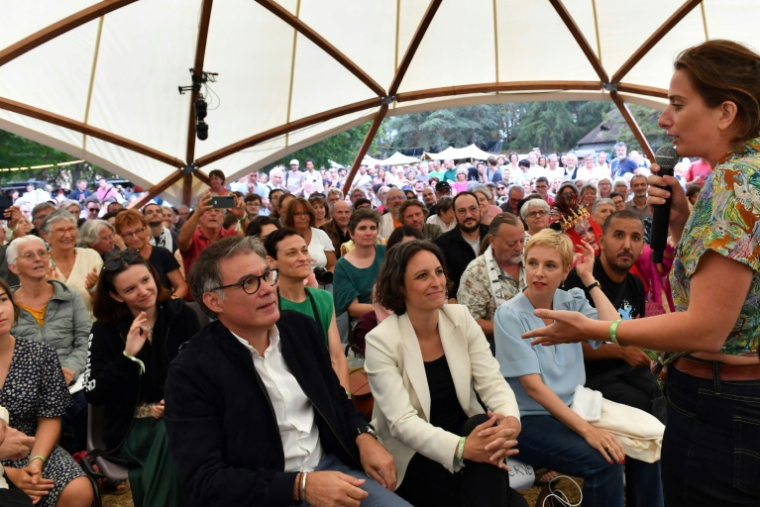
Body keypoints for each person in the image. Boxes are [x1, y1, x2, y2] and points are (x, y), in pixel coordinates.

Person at [522, 40, 760, 506]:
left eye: (676, 104)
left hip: (720, 406)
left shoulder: (734, 181)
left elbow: (708, 327)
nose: (664, 119)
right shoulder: (750, 172)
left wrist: (598, 329)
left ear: (725, 112)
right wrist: (683, 221)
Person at [163, 237, 410, 506]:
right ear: (214, 301)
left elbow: (336, 399)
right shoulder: (191, 371)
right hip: (263, 494)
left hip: (331, 470)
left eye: (267, 276)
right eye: (248, 283)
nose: (268, 289)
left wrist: (363, 435)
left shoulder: (300, 329)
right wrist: (300, 486)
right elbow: (204, 479)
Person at [494, 230, 664, 507]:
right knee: (606, 460)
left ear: (564, 272)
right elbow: (533, 389)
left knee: (648, 443)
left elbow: (614, 331)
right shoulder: (509, 314)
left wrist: (588, 278)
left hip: (576, 405)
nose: (538, 273)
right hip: (528, 419)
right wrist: (587, 431)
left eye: (550, 266)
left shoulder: (570, 299)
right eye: (533, 263)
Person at [365, 240, 526, 507]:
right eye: (422, 276)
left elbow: (492, 382)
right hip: (415, 453)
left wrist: (510, 421)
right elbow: (402, 422)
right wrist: (461, 448)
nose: (437, 282)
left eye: (438, 272)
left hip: (470, 435)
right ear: (400, 286)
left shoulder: (460, 318)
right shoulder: (381, 341)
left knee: (484, 428)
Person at [85, 250, 199, 506]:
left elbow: (204, 371)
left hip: (185, 412)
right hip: (131, 426)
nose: (144, 291)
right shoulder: (104, 329)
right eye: (130, 289)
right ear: (115, 295)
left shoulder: (182, 315)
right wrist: (127, 356)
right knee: (172, 434)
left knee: (177, 429)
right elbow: (94, 392)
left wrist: (175, 402)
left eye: (146, 280)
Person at [563, 211, 664, 421]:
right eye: (619, 235)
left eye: (635, 238)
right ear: (602, 240)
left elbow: (635, 333)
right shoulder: (580, 278)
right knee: (643, 407)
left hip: (629, 369)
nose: (627, 245)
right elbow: (568, 343)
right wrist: (621, 352)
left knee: (670, 391)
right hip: (591, 376)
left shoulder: (635, 284)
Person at [0, 277, 93, 507]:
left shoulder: (40, 354)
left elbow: (50, 418)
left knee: (79, 490)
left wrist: (36, 463)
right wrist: (8, 473)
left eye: (2, 299)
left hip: (33, 446)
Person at [8, 236, 91, 451]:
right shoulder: (7, 305)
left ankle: (84, 460)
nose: (38, 259)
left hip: (71, 376)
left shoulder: (69, 296)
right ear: (13, 267)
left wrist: (71, 369)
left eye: (42, 253)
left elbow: (85, 339)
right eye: (29, 255)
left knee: (82, 405)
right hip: (24, 380)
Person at [264, 228, 349, 391]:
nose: (303, 258)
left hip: (323, 386)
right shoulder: (267, 303)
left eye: (304, 251)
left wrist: (345, 399)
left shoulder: (323, 299)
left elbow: (337, 356)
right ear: (271, 261)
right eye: (291, 253)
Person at [458, 214, 525, 341]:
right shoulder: (476, 273)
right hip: (497, 347)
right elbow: (469, 321)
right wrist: (511, 331)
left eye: (522, 240)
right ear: (493, 241)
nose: (519, 248)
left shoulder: (532, 259)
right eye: (511, 244)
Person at [40, 211, 102, 317]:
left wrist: (93, 289)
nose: (67, 235)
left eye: (71, 229)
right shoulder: (39, 262)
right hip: (54, 327)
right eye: (60, 230)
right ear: (47, 236)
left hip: (90, 325)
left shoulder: (91, 256)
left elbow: (104, 305)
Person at [115, 211, 188, 298]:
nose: (135, 238)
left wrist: (171, 303)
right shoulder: (120, 261)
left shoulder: (162, 254)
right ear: (121, 236)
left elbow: (182, 286)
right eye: (129, 234)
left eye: (138, 231)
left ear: (145, 229)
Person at [434, 192, 488, 303]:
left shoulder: (495, 236)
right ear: (454, 214)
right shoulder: (442, 244)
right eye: (462, 211)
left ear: (480, 210)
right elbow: (448, 283)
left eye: (473, 209)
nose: (468, 215)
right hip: (463, 305)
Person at [334, 209, 386, 323]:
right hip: (366, 319)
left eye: (373, 228)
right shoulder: (342, 266)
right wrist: (387, 311)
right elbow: (353, 309)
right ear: (351, 233)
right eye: (362, 228)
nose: (369, 233)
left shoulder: (388, 253)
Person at [178, 191, 246, 276]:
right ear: (199, 216)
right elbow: (182, 240)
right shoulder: (192, 236)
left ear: (223, 217)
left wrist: (242, 217)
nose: (213, 214)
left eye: (217, 211)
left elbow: (252, 238)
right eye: (208, 210)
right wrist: (196, 213)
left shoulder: (230, 235)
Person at [282, 198, 336, 273]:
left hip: (323, 283)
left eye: (306, 213)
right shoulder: (282, 238)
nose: (303, 217)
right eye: (298, 214)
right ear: (290, 217)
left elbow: (332, 265)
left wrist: (327, 277)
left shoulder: (321, 235)